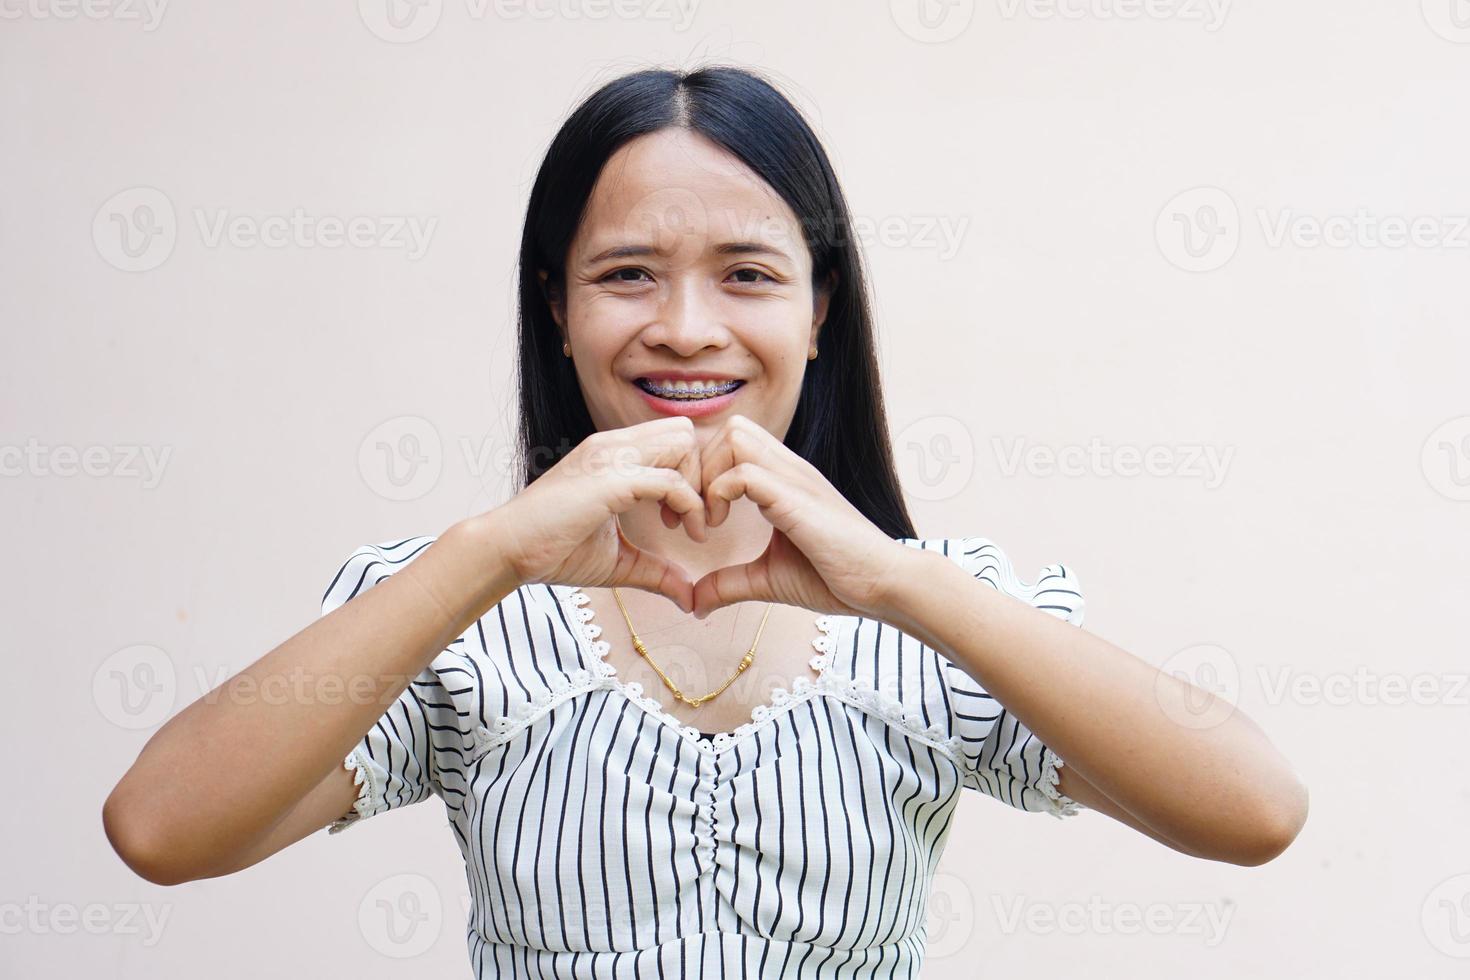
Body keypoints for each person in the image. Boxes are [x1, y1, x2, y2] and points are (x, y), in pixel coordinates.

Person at [102, 64, 1309, 976]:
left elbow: (1253, 809)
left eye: (748, 272)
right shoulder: (462, 609)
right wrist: (493, 549)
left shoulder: (928, 607)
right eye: (627, 273)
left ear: (820, 308)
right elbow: (160, 828)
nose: (686, 326)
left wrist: (893, 581)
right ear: (558, 310)